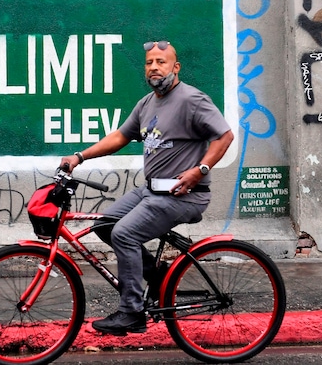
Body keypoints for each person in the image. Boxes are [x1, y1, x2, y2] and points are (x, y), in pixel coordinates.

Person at [58, 40, 234, 335]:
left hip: (184, 195)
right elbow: (120, 136)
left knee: (124, 234)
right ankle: (158, 275)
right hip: (152, 191)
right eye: (149, 62)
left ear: (175, 67)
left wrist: (200, 170)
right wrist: (79, 157)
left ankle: (132, 312)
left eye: (161, 62)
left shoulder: (193, 99)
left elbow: (224, 136)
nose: (154, 67)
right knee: (106, 225)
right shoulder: (146, 103)